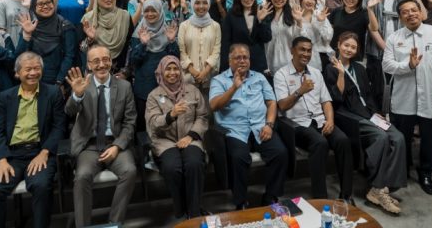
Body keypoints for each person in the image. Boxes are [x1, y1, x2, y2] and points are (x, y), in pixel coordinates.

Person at [382, 0, 432, 195]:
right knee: (402, 138)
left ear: (421, 12)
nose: (410, 14)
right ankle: (402, 171)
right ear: (400, 17)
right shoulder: (394, 38)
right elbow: (387, 65)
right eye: (405, 12)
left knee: (430, 139)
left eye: (414, 10)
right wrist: (407, 66)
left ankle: (426, 172)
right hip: (403, 98)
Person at [325, 32, 407, 214]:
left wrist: (379, 114)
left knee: (398, 137)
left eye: (353, 47)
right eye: (346, 45)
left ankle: (382, 187)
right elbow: (335, 99)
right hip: (347, 116)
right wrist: (340, 74)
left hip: (369, 114)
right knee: (380, 137)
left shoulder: (360, 69)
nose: (349, 49)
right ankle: (378, 188)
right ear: (338, 44)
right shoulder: (330, 68)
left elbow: (368, 96)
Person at [0, 52, 66, 228]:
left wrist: (45, 153)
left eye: (37, 68)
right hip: (11, 155)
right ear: (17, 73)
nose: (33, 73)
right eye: (28, 69)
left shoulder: (53, 93)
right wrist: (1, 160)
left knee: (41, 186)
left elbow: (59, 127)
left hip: (39, 151)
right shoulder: (6, 97)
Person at [65, 46, 137, 227]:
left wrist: (117, 146)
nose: (101, 64)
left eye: (105, 59)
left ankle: (114, 223)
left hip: (115, 143)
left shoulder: (124, 86)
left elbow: (130, 122)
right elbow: (69, 112)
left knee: (129, 171)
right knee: (81, 177)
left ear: (111, 62)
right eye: (96, 61)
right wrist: (77, 95)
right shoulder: (82, 85)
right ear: (88, 65)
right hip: (89, 146)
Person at [209, 44, 287, 209]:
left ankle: (270, 197)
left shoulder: (259, 77)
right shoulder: (219, 80)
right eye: (238, 58)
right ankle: (241, 201)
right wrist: (233, 88)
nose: (242, 61)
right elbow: (214, 105)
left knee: (279, 153)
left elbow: (272, 102)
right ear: (229, 60)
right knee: (239, 158)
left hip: (260, 127)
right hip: (234, 130)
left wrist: (269, 124)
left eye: (245, 57)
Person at [275, 37, 353, 201]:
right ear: (292, 50)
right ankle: (320, 197)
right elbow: (282, 106)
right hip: (296, 125)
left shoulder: (316, 73)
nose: (306, 53)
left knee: (343, 141)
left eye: (309, 50)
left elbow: (326, 101)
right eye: (302, 49)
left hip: (319, 120)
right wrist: (299, 91)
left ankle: (345, 195)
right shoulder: (281, 74)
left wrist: (330, 120)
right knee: (320, 143)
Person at [145, 55, 208, 219]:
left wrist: (191, 136)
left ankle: (193, 212)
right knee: (172, 167)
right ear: (161, 71)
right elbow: (152, 123)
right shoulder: (153, 96)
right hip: (165, 141)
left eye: (175, 69)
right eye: (168, 69)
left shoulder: (192, 90)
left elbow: (202, 117)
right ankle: (181, 209)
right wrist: (170, 115)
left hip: (190, 137)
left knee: (194, 163)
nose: (172, 73)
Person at [129, 0, 180, 131]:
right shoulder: (139, 32)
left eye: (154, 11)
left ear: (160, 12)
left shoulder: (168, 31)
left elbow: (175, 60)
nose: (150, 14)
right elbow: (134, 61)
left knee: (164, 121)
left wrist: (171, 41)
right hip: (143, 85)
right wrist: (143, 44)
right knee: (143, 122)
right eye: (146, 11)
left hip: (165, 86)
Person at [17, 0, 78, 89]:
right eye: (40, 4)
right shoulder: (29, 26)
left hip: (58, 80)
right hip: (32, 78)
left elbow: (69, 56)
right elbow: (20, 56)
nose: (45, 6)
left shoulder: (65, 26)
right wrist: (27, 34)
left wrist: (59, 82)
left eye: (48, 2)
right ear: (33, 7)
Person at [219, 0, 273, 74]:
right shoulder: (231, 15)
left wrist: (260, 21)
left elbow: (267, 38)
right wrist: (224, 68)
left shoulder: (261, 11)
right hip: (238, 63)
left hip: (257, 63)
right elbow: (226, 43)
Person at [81, 0, 134, 73]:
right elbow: (82, 49)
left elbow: (129, 44)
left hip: (120, 69)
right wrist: (90, 39)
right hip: (96, 68)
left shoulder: (125, 16)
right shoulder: (88, 18)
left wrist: (125, 72)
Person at [178, 0, 221, 90]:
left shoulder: (215, 26)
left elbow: (216, 52)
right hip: (188, 78)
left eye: (205, 3)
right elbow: (182, 52)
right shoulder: (184, 26)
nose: (201, 6)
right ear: (192, 4)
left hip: (209, 78)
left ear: (209, 4)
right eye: (197, 3)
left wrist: (204, 73)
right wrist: (194, 72)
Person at [266, 0, 301, 75]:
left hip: (288, 65)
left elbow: (297, 41)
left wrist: (299, 22)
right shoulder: (264, 14)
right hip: (268, 66)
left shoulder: (292, 15)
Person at [295, 0, 333, 71]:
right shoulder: (295, 16)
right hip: (301, 59)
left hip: (321, 57)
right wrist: (299, 22)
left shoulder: (319, 14)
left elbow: (328, 37)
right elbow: (296, 40)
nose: (310, 1)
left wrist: (320, 22)